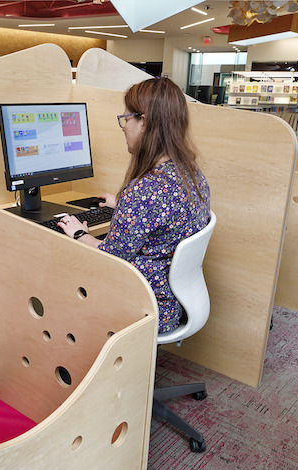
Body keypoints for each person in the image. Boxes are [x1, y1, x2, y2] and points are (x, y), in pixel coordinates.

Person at [57, 77, 211, 334]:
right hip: (177, 301)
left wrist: (79, 233)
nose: (123, 126)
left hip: (148, 307)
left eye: (126, 118)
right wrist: (122, 206)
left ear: (145, 122)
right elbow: (167, 216)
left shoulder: (143, 191)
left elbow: (111, 257)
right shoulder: (191, 174)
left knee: (63, 275)